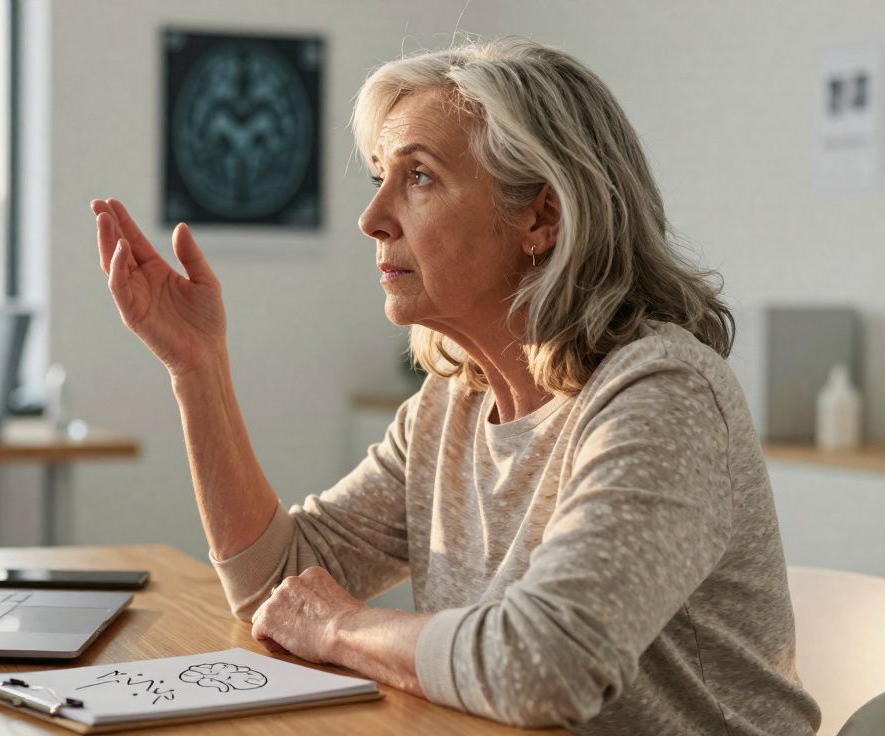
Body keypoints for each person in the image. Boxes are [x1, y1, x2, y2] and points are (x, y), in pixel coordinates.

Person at [91, 38, 819, 735]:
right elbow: (280, 586)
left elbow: (543, 666)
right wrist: (197, 367)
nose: (372, 219)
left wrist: (343, 627)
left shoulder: (664, 394)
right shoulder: (451, 404)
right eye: (381, 177)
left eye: (419, 177)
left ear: (541, 215)